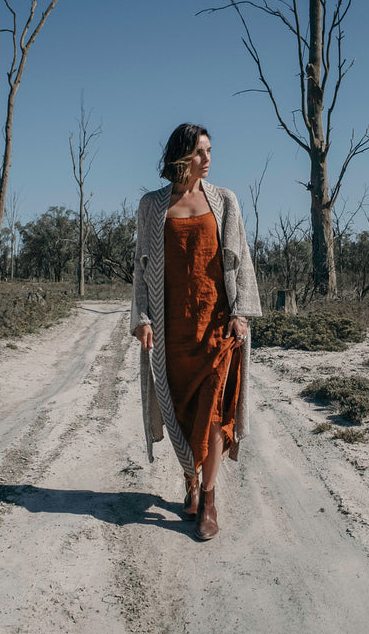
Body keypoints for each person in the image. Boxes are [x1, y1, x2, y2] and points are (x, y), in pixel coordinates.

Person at [131, 123, 262, 540]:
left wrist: (241, 313)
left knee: (215, 414)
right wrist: (143, 318)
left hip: (217, 326)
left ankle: (208, 497)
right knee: (183, 414)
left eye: (210, 151)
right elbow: (142, 266)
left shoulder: (225, 201)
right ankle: (189, 480)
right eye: (201, 152)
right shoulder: (152, 206)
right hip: (174, 331)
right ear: (182, 157)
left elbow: (241, 259)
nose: (209, 159)